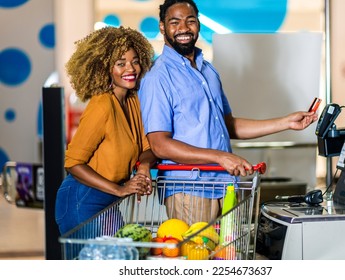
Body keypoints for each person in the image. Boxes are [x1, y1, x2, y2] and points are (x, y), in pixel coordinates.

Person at [139, 0, 318, 225]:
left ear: (198, 24)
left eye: (190, 21)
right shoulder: (158, 77)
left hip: (225, 186)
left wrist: (286, 122)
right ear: (163, 27)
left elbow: (228, 125)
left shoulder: (208, 70)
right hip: (190, 190)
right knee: (198, 258)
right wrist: (220, 157)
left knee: (227, 256)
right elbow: (159, 145)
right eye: (175, 22)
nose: (184, 28)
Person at [55, 26, 157, 235]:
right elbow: (73, 163)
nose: (131, 69)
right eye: (121, 64)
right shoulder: (102, 105)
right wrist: (120, 189)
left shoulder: (132, 101)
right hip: (82, 199)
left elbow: (148, 147)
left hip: (109, 199)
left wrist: (143, 168)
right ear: (105, 68)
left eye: (135, 61)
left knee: (117, 258)